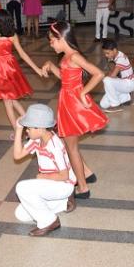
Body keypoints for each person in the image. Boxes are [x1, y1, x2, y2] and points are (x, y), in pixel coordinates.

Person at [42, 21, 108, 199]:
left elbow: (98, 74)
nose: (51, 44)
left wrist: (84, 92)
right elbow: (65, 79)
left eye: (52, 40)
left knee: (71, 148)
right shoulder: (66, 57)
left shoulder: (74, 56)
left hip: (72, 106)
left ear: (61, 38)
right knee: (69, 144)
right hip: (67, 102)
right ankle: (86, 173)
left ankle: (83, 188)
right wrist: (50, 64)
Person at [12, 104, 76, 237]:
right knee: (20, 215)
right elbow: (17, 155)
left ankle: (50, 222)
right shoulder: (37, 140)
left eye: (28, 128)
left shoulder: (54, 146)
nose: (27, 131)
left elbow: (64, 175)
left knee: (22, 188)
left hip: (63, 184)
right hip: (51, 185)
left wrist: (43, 177)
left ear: (40, 128)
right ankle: (63, 202)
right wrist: (18, 129)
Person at [0, 10, 44, 130]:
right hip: (12, 68)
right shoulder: (13, 36)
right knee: (12, 99)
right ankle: (29, 123)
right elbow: (22, 54)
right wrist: (37, 69)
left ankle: (18, 131)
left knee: (8, 103)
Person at [100, 39, 134, 113]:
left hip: (128, 83)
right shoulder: (114, 56)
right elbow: (112, 73)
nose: (106, 55)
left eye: (107, 53)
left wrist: (103, 76)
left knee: (106, 80)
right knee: (103, 104)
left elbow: (113, 75)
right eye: (105, 53)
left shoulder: (121, 58)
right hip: (120, 83)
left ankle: (116, 106)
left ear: (114, 50)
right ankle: (128, 96)